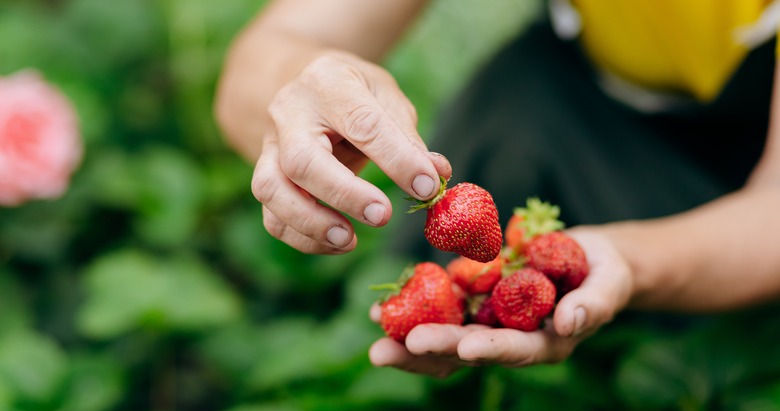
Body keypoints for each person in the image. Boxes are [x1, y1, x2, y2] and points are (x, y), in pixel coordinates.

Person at [214, 0, 780, 378]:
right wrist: (301, 89)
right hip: (580, 106)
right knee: (511, 110)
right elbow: (277, 43)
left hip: (753, 179)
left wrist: (631, 262)